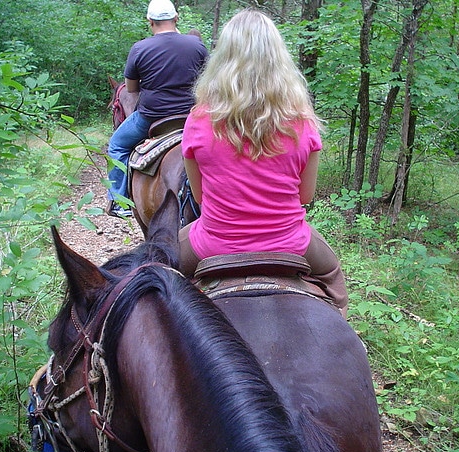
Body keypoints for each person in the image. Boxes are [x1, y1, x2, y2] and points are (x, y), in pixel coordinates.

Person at [178, 9, 349, 317]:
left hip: (213, 242)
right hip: (290, 242)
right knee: (332, 274)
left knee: (157, 271)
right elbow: (305, 196)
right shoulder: (301, 121)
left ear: (223, 58)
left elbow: (200, 196)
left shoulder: (199, 120)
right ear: (277, 58)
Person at [106, 0, 208, 217]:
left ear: (150, 21)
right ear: (176, 18)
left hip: (152, 118)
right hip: (193, 117)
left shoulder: (140, 48)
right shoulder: (197, 46)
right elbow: (209, 82)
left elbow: (131, 89)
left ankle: (118, 201)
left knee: (117, 145)